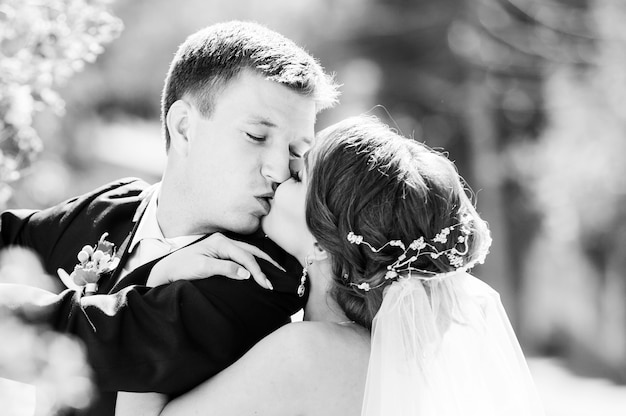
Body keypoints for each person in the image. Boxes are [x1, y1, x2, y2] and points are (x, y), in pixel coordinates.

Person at [0, 21, 339, 415]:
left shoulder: (260, 278)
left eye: (297, 150)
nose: (280, 170)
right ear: (184, 128)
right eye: (257, 136)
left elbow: (102, 339)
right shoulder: (115, 203)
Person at [115, 116, 545, 415]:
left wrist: (155, 278)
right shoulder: (402, 365)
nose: (279, 175)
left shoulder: (310, 353)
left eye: (298, 178)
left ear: (322, 243)